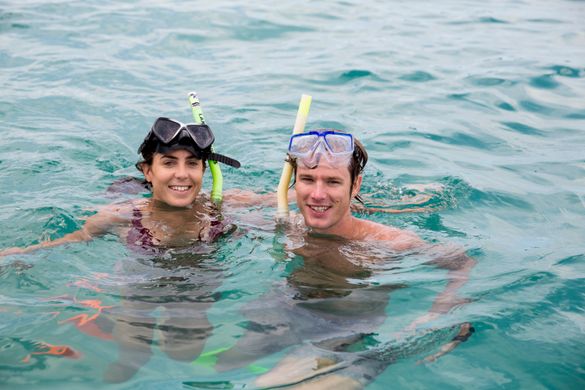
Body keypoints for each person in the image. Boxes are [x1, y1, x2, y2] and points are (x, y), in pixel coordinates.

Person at [213, 129, 475, 389]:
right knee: (221, 365)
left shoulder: (384, 242)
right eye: (307, 179)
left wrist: (445, 307)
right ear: (293, 184)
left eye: (332, 181)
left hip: (345, 329)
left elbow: (460, 260)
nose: (317, 194)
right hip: (286, 309)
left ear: (355, 184)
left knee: (266, 385)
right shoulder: (285, 226)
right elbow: (214, 203)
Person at [0, 116, 242, 382]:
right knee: (133, 354)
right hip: (140, 289)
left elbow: (285, 198)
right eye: (169, 162)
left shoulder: (220, 207)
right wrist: (25, 253)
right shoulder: (123, 215)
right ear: (147, 171)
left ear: (204, 171)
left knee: (183, 353)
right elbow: (77, 238)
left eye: (192, 163)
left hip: (197, 290)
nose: (182, 174)